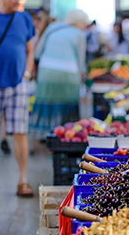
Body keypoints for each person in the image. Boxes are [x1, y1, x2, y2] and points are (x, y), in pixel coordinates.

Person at [0, 0, 36, 196]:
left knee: (20, 131)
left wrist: (27, 74)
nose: (17, 1)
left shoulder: (24, 18)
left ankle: (23, 180)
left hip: (18, 83)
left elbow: (30, 50)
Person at [29, 9, 89, 140]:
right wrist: (83, 77)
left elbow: (38, 52)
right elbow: (80, 60)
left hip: (46, 72)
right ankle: (66, 135)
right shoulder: (79, 34)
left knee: (46, 101)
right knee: (68, 105)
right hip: (69, 74)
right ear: (79, 22)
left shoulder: (52, 28)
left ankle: (43, 134)